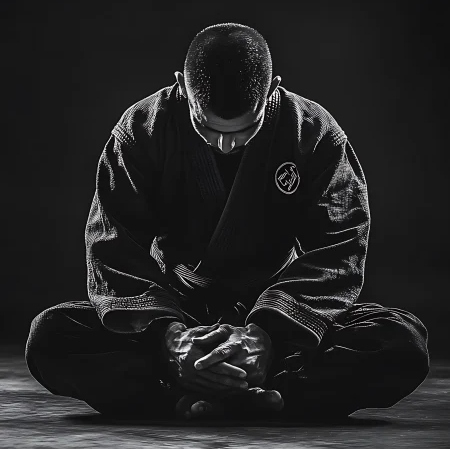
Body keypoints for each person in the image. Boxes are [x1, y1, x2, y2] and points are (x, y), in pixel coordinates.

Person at [25, 23, 429, 421]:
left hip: (278, 313)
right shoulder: (140, 131)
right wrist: (171, 339)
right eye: (206, 128)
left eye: (245, 130)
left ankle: (259, 392)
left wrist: (265, 335)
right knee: (51, 334)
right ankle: (212, 387)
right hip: (176, 309)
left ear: (273, 91)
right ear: (182, 87)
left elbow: (339, 250)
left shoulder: (314, 133)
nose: (224, 144)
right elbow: (112, 246)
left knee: (402, 341)